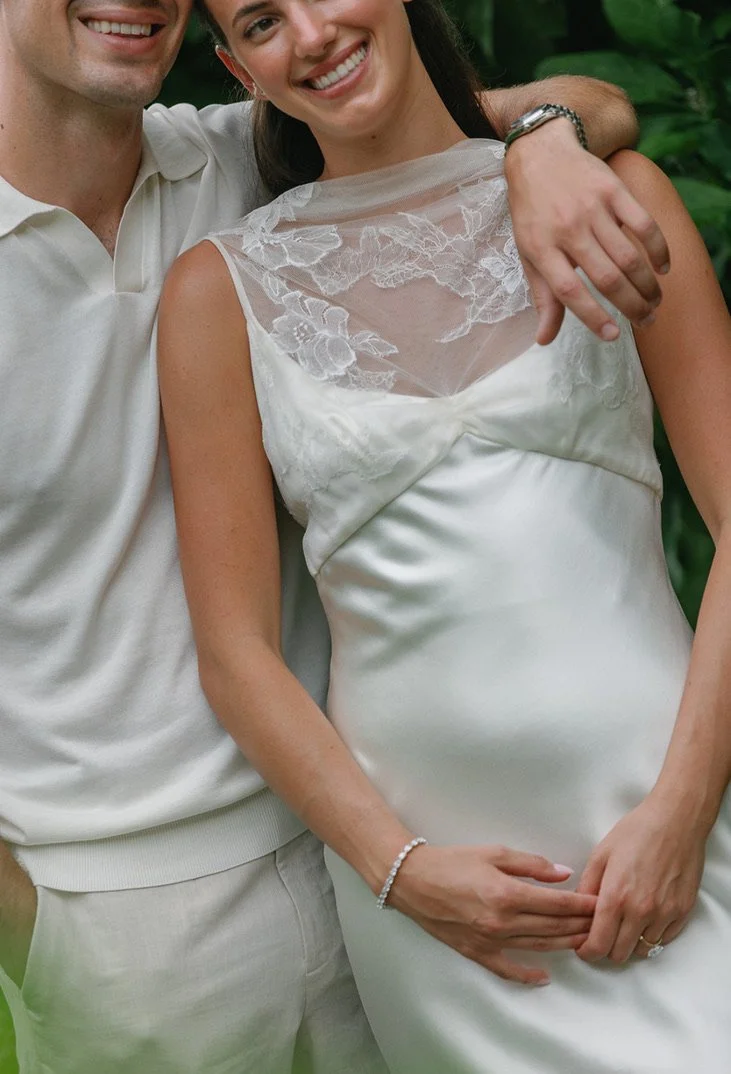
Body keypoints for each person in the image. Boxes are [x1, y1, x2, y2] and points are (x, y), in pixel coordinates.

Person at [0, 0, 675, 1071]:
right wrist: (40, 935)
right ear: (243, 58)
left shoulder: (224, 151)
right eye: (266, 18)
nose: (307, 34)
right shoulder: (234, 248)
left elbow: (580, 104)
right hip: (125, 915)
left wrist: (540, 144)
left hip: (371, 853)